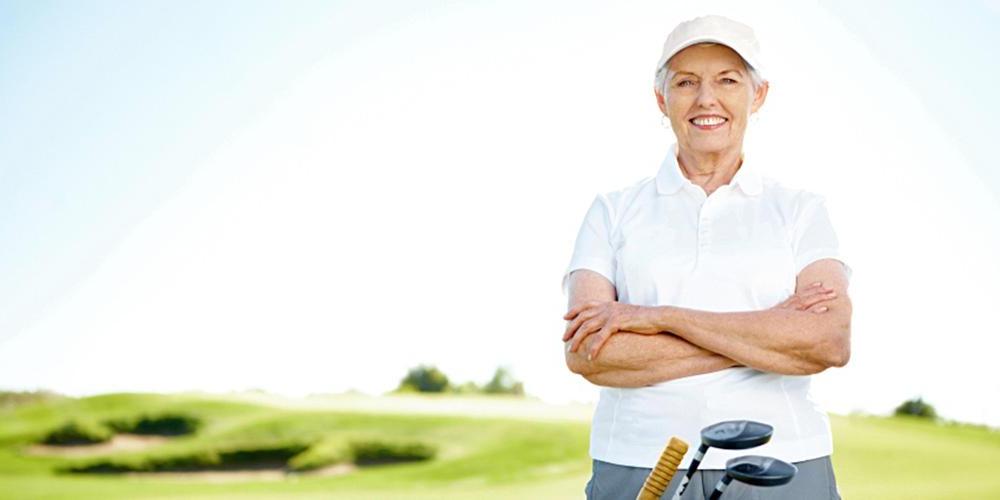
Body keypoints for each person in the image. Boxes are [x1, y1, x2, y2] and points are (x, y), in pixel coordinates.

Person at [561, 15, 851, 500]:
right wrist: (767, 337)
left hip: (784, 462)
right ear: (662, 99)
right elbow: (591, 352)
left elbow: (829, 341)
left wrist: (655, 318)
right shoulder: (610, 211)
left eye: (728, 80)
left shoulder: (802, 210)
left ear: (757, 96)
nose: (706, 99)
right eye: (686, 82)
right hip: (640, 462)